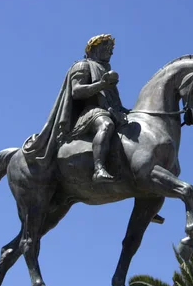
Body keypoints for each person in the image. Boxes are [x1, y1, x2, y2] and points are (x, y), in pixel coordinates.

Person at [22, 34, 129, 182]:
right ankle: (99, 169)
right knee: (106, 124)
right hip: (88, 113)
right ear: (95, 48)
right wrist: (101, 84)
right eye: (107, 48)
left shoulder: (103, 70)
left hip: (107, 111)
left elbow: (111, 101)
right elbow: (76, 91)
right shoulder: (82, 65)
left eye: (111, 49)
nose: (110, 52)